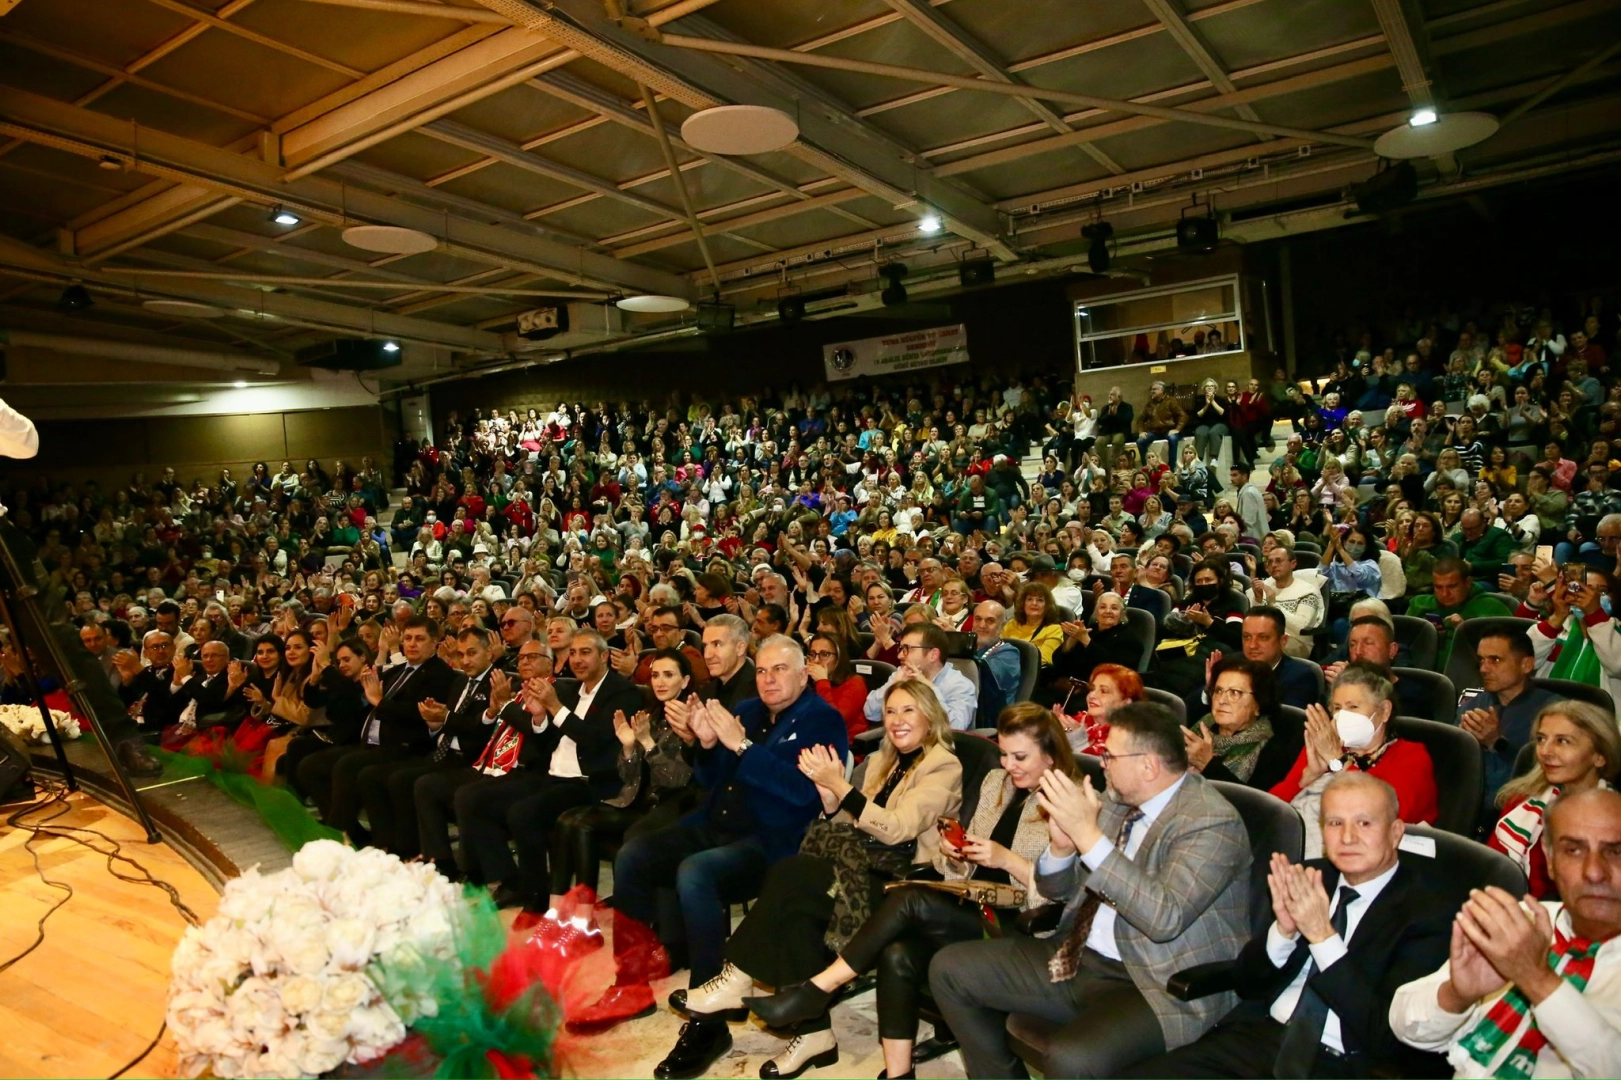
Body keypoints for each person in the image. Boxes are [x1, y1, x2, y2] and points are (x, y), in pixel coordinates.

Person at [745, 704, 1075, 1080]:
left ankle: (819, 987)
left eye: (1020, 756)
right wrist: (956, 854)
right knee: (897, 953)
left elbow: (1058, 898)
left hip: (1016, 923)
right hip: (971, 902)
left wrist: (1007, 860)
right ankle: (899, 1073)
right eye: (1002, 753)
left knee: (908, 897)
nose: (1008, 764)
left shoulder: (1069, 802)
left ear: (1050, 755)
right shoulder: (995, 782)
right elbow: (964, 869)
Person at [929, 702, 1251, 1079]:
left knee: (1072, 1058)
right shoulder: (1117, 800)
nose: (1101, 762)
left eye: (1111, 756)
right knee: (950, 970)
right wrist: (1062, 850)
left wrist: (1089, 837)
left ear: (1148, 765)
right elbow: (1055, 890)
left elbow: (1164, 918)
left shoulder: (1211, 823)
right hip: (1076, 955)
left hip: (1155, 981)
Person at [701, 679, 962, 1077]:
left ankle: (739, 978)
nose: (896, 720)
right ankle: (813, 1034)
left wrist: (841, 785)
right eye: (890, 711)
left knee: (791, 875)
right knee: (794, 901)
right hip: (861, 865)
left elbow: (896, 828)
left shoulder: (944, 764)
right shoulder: (880, 760)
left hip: (901, 883)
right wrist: (830, 802)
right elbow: (852, 823)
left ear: (930, 715)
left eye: (908, 710)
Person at [614, 636, 848, 1080]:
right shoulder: (745, 711)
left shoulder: (823, 719)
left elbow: (803, 795)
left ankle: (709, 1019)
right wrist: (704, 744)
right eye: (761, 670)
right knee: (634, 855)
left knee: (696, 874)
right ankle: (630, 984)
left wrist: (742, 748)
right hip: (716, 821)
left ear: (804, 673)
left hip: (774, 840)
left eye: (780, 670)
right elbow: (708, 780)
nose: (768, 679)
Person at [1123, 773, 1456, 1079]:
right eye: (1335, 822)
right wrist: (1282, 932)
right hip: (1260, 1037)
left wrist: (1322, 935)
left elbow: (1386, 1035)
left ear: (1395, 831)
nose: (1348, 837)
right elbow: (1247, 982)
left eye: (1365, 823)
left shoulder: (1430, 912)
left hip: (1343, 1065)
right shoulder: (1312, 877)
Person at [1389, 788, 1621, 1078]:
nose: (1594, 872)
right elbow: (1405, 1024)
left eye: (1615, 851)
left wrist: (1535, 978)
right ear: (1549, 859)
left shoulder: (1520, 945)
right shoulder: (1521, 922)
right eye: (1573, 850)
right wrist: (1457, 995)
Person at [457, 628, 643, 912]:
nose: (578, 660)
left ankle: (537, 894)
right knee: (474, 800)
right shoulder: (569, 690)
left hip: (588, 783)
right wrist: (540, 718)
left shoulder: (622, 693)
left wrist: (554, 707)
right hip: (551, 775)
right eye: (573, 653)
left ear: (605, 656)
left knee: (523, 813)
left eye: (586, 652)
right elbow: (545, 741)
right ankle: (511, 879)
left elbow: (593, 739)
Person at [296, 615, 455, 836]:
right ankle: (350, 830)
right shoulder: (399, 670)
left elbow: (417, 713)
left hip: (404, 744)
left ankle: (341, 834)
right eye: (407, 638)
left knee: (350, 767)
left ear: (435, 642)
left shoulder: (439, 674)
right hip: (372, 740)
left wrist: (379, 701)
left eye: (419, 639)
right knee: (310, 766)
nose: (411, 644)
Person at [413, 638, 552, 880]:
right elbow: (486, 729)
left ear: (550, 665)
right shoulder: (515, 688)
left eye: (532, 657)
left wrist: (504, 704)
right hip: (487, 761)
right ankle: (441, 861)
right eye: (520, 658)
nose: (525, 662)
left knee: (468, 795)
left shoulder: (557, 691)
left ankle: (484, 872)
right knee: (427, 785)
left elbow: (537, 733)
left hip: (527, 769)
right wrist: (491, 711)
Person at [357, 625, 501, 857]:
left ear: (489, 653)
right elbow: (445, 725)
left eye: (472, 653)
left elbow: (482, 731)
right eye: (461, 654)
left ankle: (422, 855)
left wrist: (445, 718)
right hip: (441, 753)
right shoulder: (460, 682)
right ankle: (391, 846)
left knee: (410, 781)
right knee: (379, 776)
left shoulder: (496, 683)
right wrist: (435, 724)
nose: (465, 660)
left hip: (470, 760)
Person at [1270, 662, 1438, 857]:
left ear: (1384, 711)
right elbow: (1272, 810)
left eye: (1353, 707)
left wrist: (1337, 761)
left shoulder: (1412, 757)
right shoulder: (1326, 746)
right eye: (1337, 708)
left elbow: (1380, 817)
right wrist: (1307, 776)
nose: (1342, 716)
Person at [1489, 701, 1619, 899]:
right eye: (1541, 739)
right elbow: (1491, 875)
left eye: (1562, 741)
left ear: (1599, 757)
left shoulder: (1614, 820)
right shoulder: (1520, 803)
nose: (1545, 751)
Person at [1455, 628, 1560, 817]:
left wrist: (1497, 743)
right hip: (1464, 809)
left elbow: (1545, 777)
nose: (1483, 669)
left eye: (1495, 660)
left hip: (1520, 814)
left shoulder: (1554, 713)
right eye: (1481, 660)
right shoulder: (1473, 706)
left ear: (1526, 665)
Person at [1185, 656, 1304, 792]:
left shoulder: (1272, 753)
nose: (1222, 700)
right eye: (1218, 691)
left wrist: (1208, 763)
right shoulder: (1202, 725)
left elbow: (1251, 805)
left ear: (1258, 704)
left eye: (1235, 693)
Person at [862, 623, 977, 732]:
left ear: (933, 655)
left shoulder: (959, 685)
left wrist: (930, 689)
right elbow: (871, 713)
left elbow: (955, 728)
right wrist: (892, 687)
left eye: (907, 649)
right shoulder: (903, 674)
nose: (900, 655)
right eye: (901, 648)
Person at [1405, 558, 1511, 674]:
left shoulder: (1491, 608)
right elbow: (1400, 646)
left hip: (1474, 676)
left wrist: (1467, 634)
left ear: (1468, 583)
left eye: (1452, 586)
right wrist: (1425, 635)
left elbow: (1506, 654)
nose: (1445, 594)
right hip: (1420, 675)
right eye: (1438, 587)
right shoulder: (1418, 605)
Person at [1045, 590, 1141, 703]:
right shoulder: (1090, 630)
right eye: (1103, 607)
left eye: (1114, 608)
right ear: (1096, 612)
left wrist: (1086, 640)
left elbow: (1112, 669)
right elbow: (1058, 662)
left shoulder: (1130, 639)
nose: (1108, 611)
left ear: (1122, 613)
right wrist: (1072, 639)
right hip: (1069, 687)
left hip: (1102, 694)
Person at [1060, 661, 1144, 755]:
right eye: (1092, 689)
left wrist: (1078, 740)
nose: (1092, 695)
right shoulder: (1079, 722)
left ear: (1125, 703)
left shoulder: (1127, 738)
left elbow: (1096, 767)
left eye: (1103, 691)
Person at [1256, 544, 1325, 659]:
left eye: (1278, 561)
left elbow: (1301, 626)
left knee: (1263, 648)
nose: (1274, 565)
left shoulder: (1307, 591)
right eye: (1270, 562)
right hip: (1264, 637)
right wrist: (1258, 601)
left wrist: (1274, 605)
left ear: (1293, 564)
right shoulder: (1265, 586)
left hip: (1297, 642)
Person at [806, 631, 868, 743]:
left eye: (824, 654)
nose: (816, 660)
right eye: (812, 654)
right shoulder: (808, 682)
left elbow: (834, 722)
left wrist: (822, 682)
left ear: (838, 657)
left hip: (843, 748)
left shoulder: (855, 683)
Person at [1003, 580, 1064, 666]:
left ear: (1047, 606)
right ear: (1023, 603)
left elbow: (1043, 660)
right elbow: (997, 648)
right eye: (1029, 599)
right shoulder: (1013, 623)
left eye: (1040, 600)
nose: (1034, 603)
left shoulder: (1054, 629)